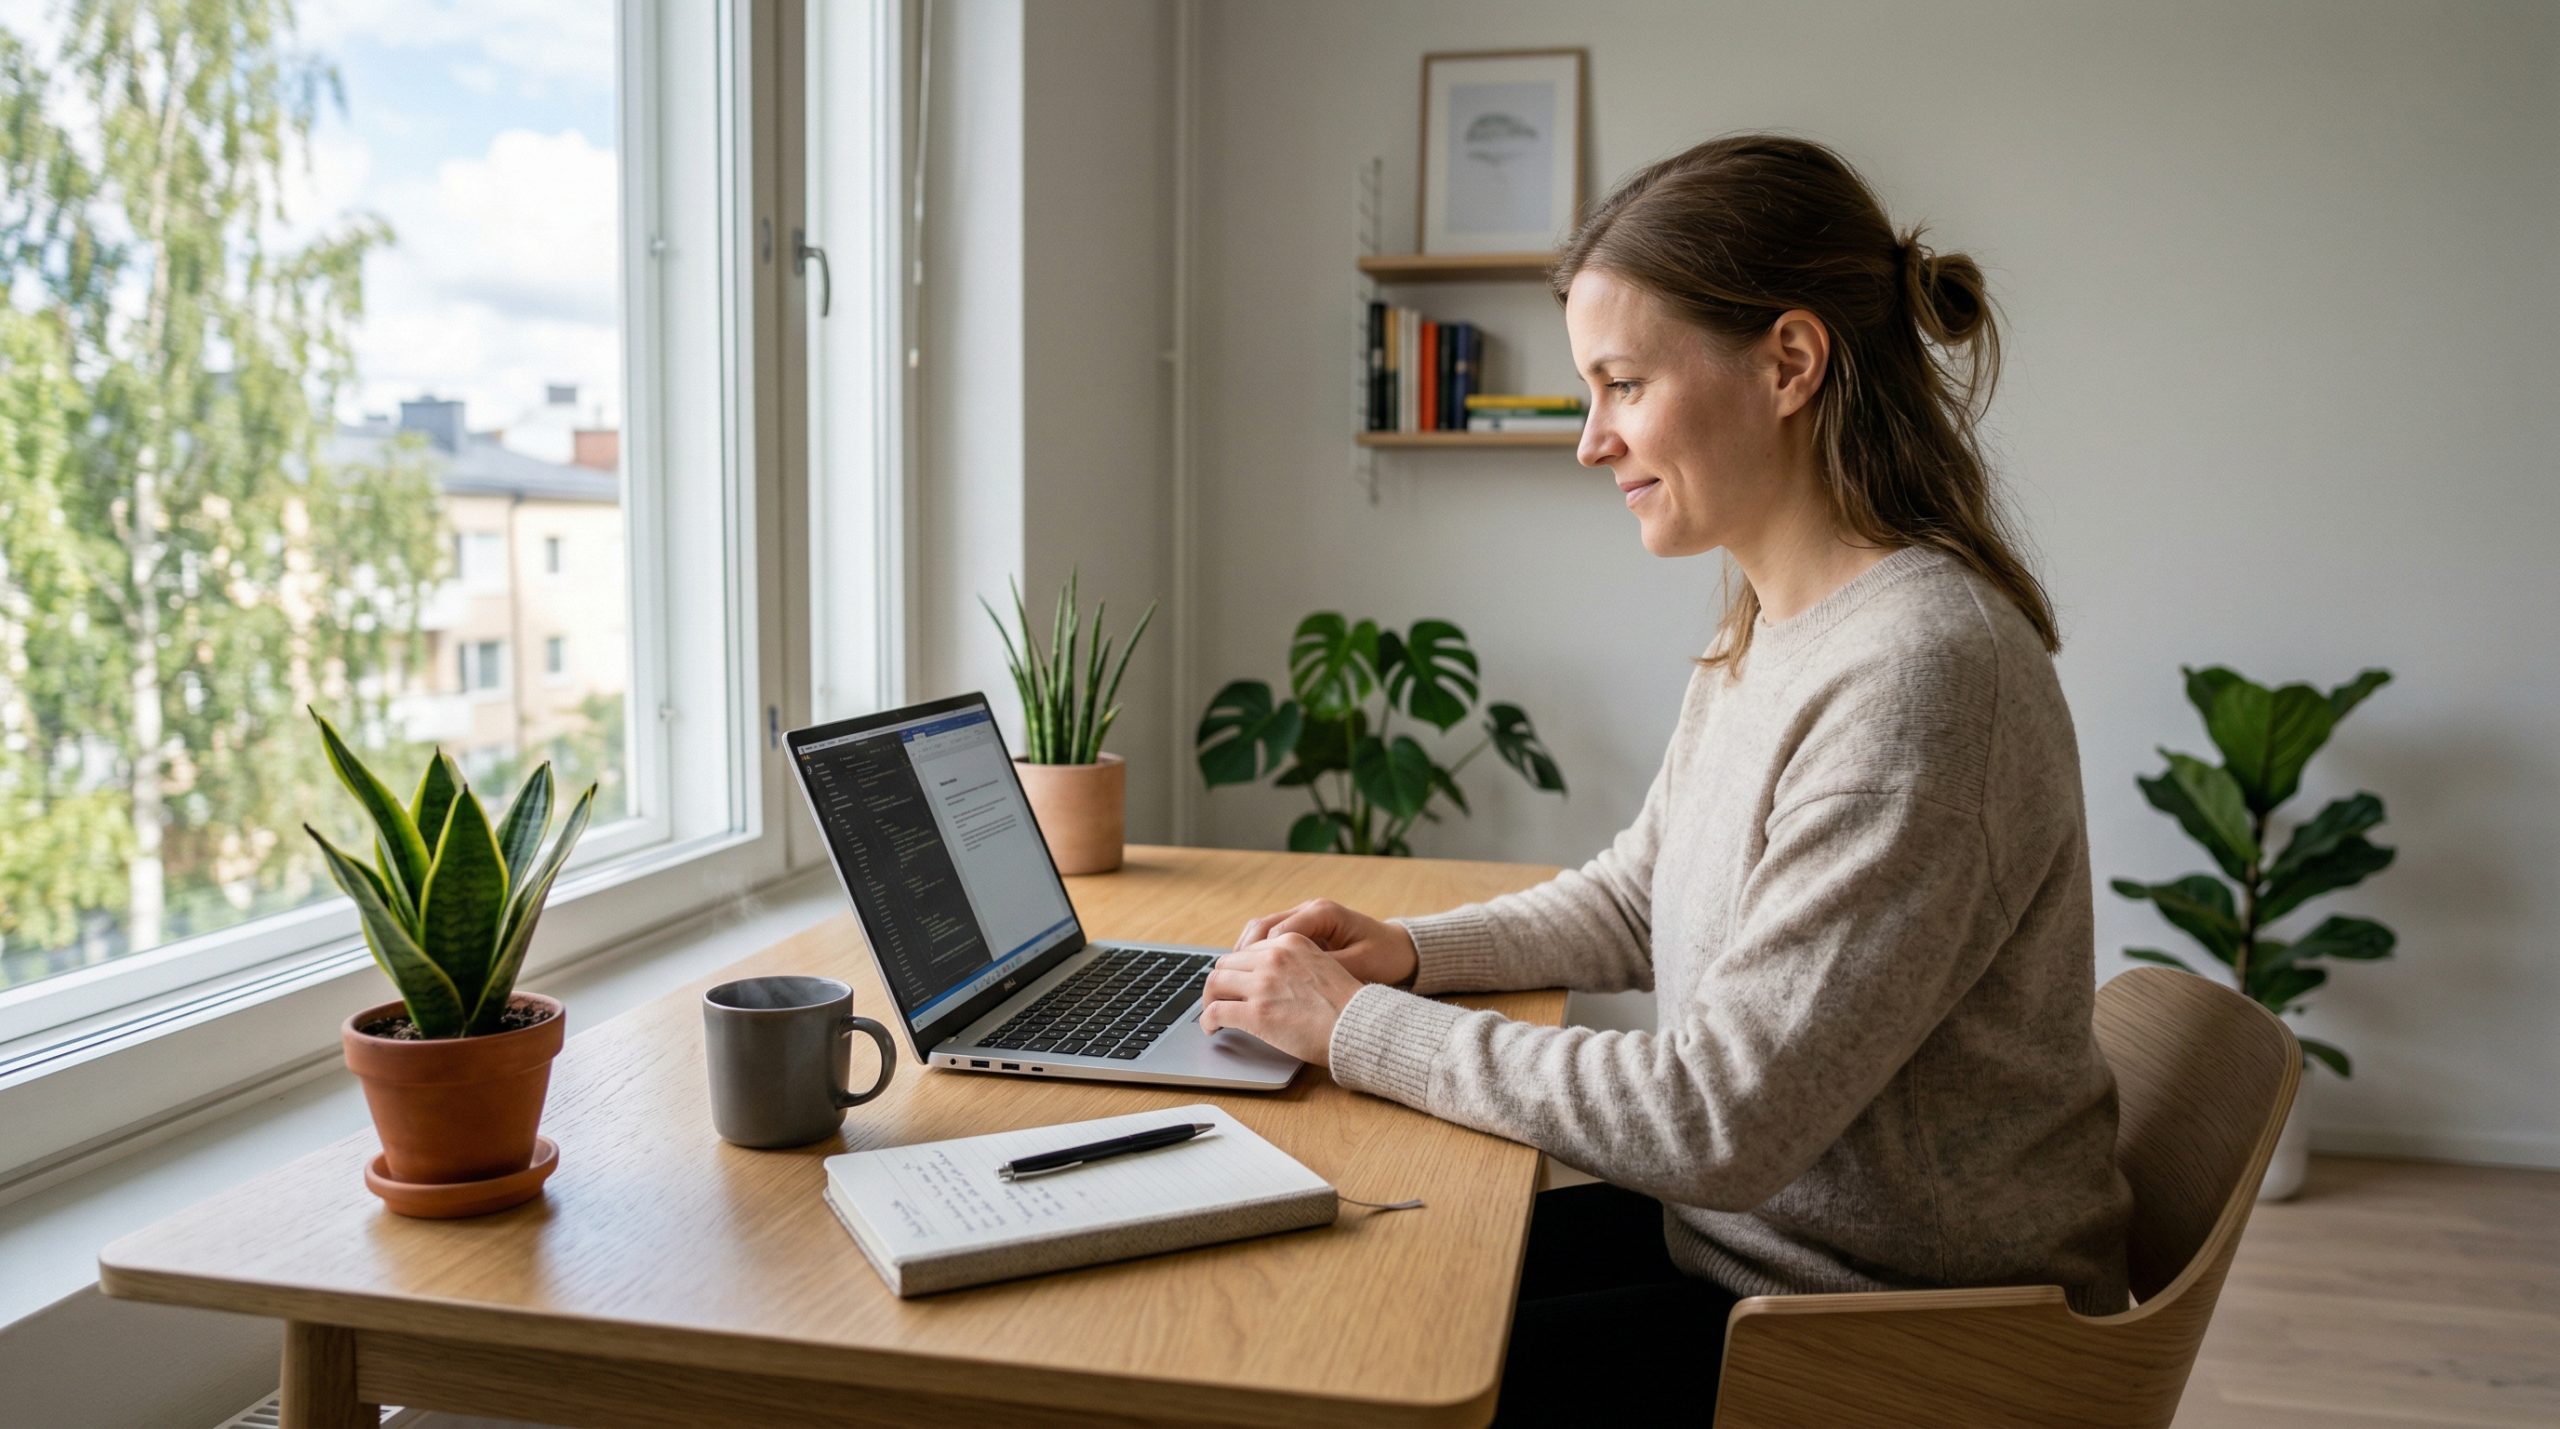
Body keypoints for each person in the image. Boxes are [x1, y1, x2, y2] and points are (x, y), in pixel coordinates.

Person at [1194, 133, 2133, 1423]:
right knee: (1330, 1300)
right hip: (1747, 1257)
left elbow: (1713, 1119)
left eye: (1622, 383)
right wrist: (1402, 953)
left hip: (1879, 1345)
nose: (1591, 441)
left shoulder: (1923, 676)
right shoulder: (1780, 616)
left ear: (1791, 362)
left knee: (1335, 1371)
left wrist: (1350, 1029)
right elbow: (1639, 901)